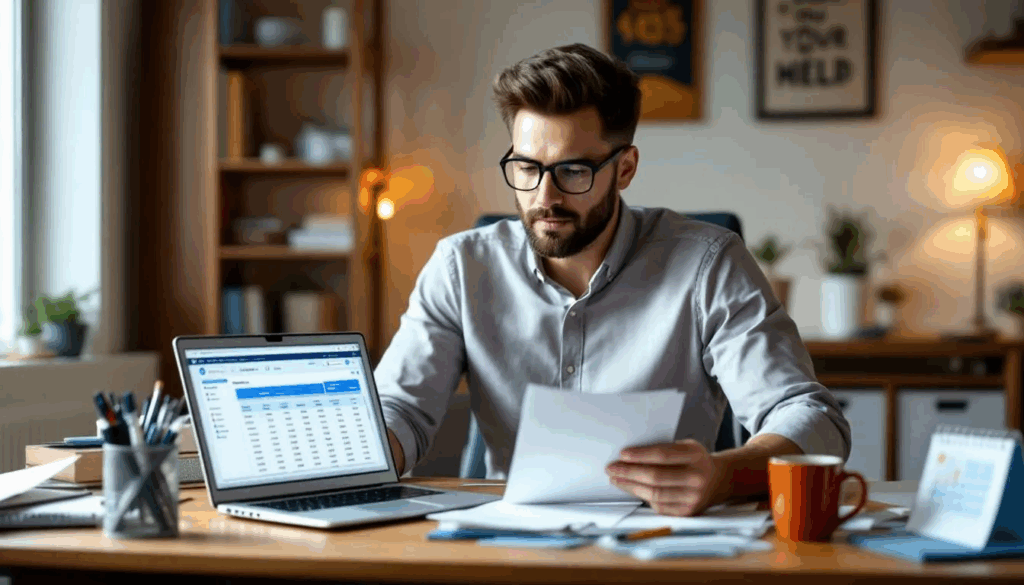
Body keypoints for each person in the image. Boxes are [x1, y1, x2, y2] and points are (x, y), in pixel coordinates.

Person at [375, 43, 850, 517]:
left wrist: (727, 474)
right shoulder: (461, 267)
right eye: (526, 167)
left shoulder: (708, 264)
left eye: (573, 170)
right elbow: (401, 409)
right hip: (509, 539)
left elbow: (811, 417)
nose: (545, 197)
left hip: (662, 538)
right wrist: (360, 457)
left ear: (624, 169)